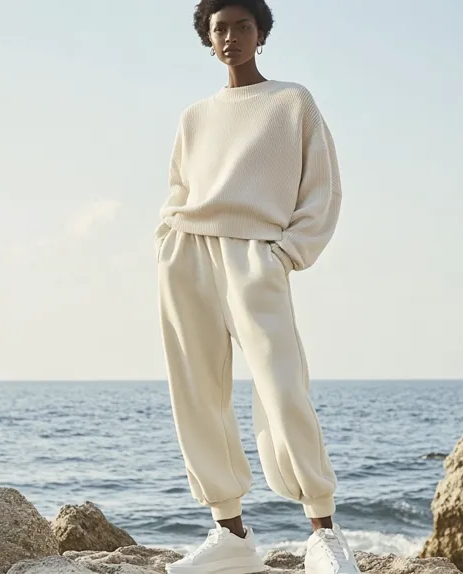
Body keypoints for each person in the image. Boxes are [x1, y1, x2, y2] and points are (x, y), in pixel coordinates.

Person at [153, 1, 358, 573]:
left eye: (242, 25)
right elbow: (177, 186)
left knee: (282, 385)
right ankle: (231, 534)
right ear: (207, 38)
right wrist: (166, 238)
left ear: (261, 33)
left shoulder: (292, 102)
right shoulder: (195, 115)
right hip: (187, 253)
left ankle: (323, 530)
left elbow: (323, 189)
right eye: (220, 28)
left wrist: (289, 252)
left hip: (255, 253)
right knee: (195, 390)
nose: (231, 37)